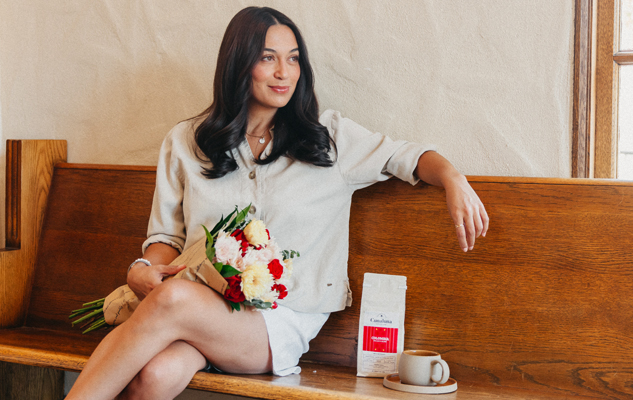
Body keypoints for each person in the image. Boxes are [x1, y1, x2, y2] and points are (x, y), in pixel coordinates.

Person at [67, 6, 488, 400]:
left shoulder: (330, 138)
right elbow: (166, 238)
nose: (284, 72)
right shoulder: (186, 141)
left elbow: (407, 157)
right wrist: (142, 270)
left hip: (281, 321)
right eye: (268, 58)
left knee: (172, 302)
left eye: (293, 58)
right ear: (239, 64)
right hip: (201, 306)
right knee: (153, 376)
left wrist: (452, 178)